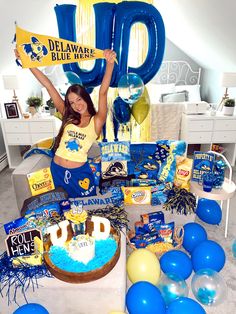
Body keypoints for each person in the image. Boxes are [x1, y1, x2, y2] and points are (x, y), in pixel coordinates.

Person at [15, 49, 116, 198]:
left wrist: (110, 63)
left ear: (85, 98)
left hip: (79, 175)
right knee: (61, 211)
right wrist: (27, 62)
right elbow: (49, 86)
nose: (77, 105)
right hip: (57, 170)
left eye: (79, 99)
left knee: (85, 212)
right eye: (72, 102)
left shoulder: (97, 120)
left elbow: (103, 91)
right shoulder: (67, 114)